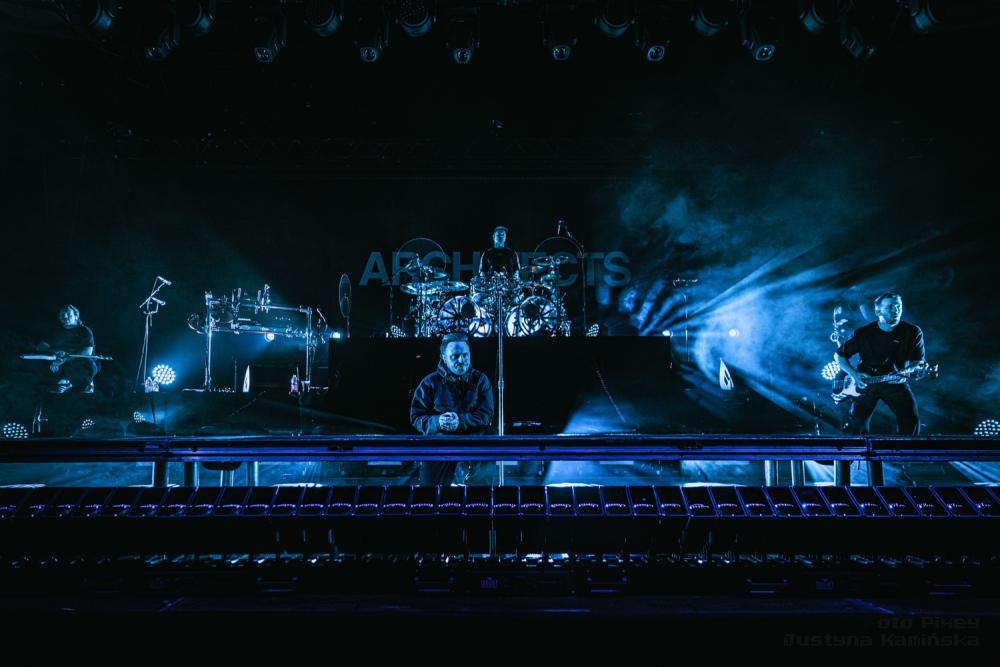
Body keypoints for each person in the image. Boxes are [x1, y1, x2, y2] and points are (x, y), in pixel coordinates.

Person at [835, 292, 925, 483]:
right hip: (865, 383)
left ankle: (901, 466)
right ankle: (846, 471)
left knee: (911, 420)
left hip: (895, 382)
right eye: (890, 306)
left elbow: (918, 362)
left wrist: (907, 372)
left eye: (898, 306)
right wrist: (854, 374)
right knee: (856, 424)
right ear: (878, 311)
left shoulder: (912, 331)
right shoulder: (864, 333)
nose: (896, 310)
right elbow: (839, 356)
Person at [410, 333, 494, 485]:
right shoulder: (429, 383)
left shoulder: (480, 380)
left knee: (480, 494)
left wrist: (460, 422)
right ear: (444, 358)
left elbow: (486, 415)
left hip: (474, 446)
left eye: (465, 355)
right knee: (430, 493)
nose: (461, 360)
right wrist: (438, 422)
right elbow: (416, 417)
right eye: (455, 356)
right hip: (439, 447)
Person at [39, 305, 99, 394]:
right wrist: (56, 353)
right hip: (58, 363)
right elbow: (41, 347)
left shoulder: (84, 331)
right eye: (62, 315)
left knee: (88, 363)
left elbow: (87, 352)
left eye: (68, 314)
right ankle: (60, 384)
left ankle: (76, 383)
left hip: (79, 364)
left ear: (76, 316)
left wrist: (65, 358)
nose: (65, 317)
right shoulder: (56, 332)